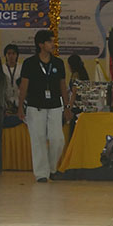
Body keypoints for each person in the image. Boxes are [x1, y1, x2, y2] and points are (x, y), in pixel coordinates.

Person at [18, 30, 71, 183]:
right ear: (41, 44)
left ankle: (52, 168)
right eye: (49, 42)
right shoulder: (29, 63)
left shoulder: (58, 63)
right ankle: (41, 173)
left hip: (55, 105)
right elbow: (24, 86)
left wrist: (67, 106)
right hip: (35, 106)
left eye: (53, 41)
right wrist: (20, 106)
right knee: (38, 139)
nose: (53, 44)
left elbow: (62, 85)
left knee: (58, 139)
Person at [2, 44, 22, 113]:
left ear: (17, 55)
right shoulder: (2, 69)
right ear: (5, 55)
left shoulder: (21, 68)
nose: (11, 56)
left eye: (13, 53)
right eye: (9, 53)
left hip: (19, 99)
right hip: (6, 100)